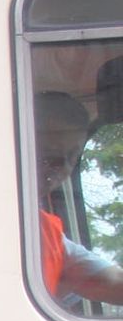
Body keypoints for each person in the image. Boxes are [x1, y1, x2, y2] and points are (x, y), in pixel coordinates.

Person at [35, 90, 123, 307]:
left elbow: (114, 283)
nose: (63, 166)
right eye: (50, 154)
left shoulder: (49, 234)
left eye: (72, 156)